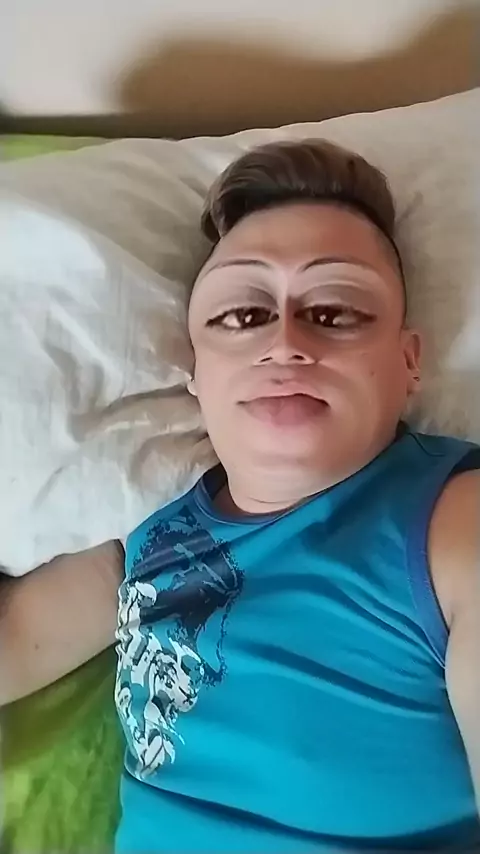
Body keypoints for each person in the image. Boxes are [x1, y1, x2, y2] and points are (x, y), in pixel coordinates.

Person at [1, 140, 479, 852]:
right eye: (242, 316)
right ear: (196, 372)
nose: (284, 342)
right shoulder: (145, 541)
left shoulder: (456, 526)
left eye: (335, 310)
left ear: (408, 361)